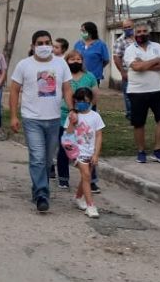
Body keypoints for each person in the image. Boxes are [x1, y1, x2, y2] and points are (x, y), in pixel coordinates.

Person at [10, 30, 75, 213]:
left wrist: (72, 109)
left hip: (54, 119)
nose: (44, 46)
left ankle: (38, 188)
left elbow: (67, 89)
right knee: (38, 158)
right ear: (33, 46)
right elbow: (14, 90)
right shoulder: (24, 65)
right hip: (32, 119)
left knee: (47, 161)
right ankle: (42, 195)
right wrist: (14, 115)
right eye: (40, 43)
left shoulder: (61, 64)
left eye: (47, 42)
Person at [124, 23, 160, 164]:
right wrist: (156, 60)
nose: (142, 34)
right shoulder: (130, 50)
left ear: (148, 33)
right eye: (139, 31)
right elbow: (136, 67)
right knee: (139, 123)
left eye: (144, 31)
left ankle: (158, 151)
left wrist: (144, 64)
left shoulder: (157, 46)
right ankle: (141, 151)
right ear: (134, 34)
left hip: (158, 89)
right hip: (137, 91)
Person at [54, 50, 99, 191]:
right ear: (66, 61)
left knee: (87, 148)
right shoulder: (63, 76)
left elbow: (95, 95)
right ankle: (63, 178)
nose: (76, 62)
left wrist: (86, 110)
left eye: (79, 59)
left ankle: (91, 180)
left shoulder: (90, 76)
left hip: (85, 118)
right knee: (65, 147)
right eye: (72, 59)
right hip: (64, 116)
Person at [62, 87, 105, 218]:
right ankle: (90, 205)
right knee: (86, 175)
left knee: (86, 177)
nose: (81, 103)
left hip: (90, 151)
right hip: (77, 151)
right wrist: (72, 122)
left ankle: (78, 196)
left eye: (85, 101)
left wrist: (96, 154)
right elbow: (67, 134)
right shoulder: (72, 116)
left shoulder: (95, 116)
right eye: (79, 101)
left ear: (90, 101)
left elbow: (99, 135)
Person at [113, 19, 136, 120]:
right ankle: (131, 115)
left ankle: (138, 113)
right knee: (128, 95)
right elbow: (116, 57)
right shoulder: (120, 41)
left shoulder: (139, 38)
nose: (127, 29)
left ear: (133, 26)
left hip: (141, 71)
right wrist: (123, 72)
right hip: (128, 72)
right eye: (125, 27)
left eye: (129, 27)